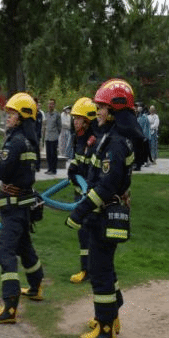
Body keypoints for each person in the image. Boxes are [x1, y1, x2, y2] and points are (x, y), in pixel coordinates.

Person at [65, 78, 138, 338]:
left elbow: (106, 186)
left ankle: (105, 329)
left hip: (105, 215)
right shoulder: (109, 137)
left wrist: (79, 212)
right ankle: (111, 315)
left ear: (115, 110)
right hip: (102, 215)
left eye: (102, 107)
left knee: (99, 270)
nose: (98, 112)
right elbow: (97, 176)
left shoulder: (115, 142)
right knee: (104, 267)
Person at [0, 92, 43, 325]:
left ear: (22, 117)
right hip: (22, 206)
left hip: (14, 208)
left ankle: (9, 306)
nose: (7, 116)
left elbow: (2, 171)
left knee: (5, 251)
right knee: (24, 247)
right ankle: (36, 286)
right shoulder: (27, 140)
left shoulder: (16, 141)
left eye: (12, 113)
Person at [66, 97, 98, 284]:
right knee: (82, 232)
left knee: (88, 231)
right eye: (74, 118)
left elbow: (92, 170)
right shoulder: (79, 138)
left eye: (78, 118)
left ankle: (88, 270)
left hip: (90, 195)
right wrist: (73, 168)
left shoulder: (94, 141)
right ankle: (87, 269)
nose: (74, 121)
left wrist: (82, 179)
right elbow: (79, 159)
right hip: (81, 194)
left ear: (87, 121)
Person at [43, 98, 62, 174]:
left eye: (52, 104)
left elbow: (59, 126)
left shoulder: (57, 114)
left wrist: (57, 134)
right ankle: (49, 168)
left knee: (53, 154)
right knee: (48, 154)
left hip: (54, 137)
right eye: (49, 104)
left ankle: (53, 170)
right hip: (47, 137)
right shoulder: (46, 114)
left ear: (54, 105)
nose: (50, 105)